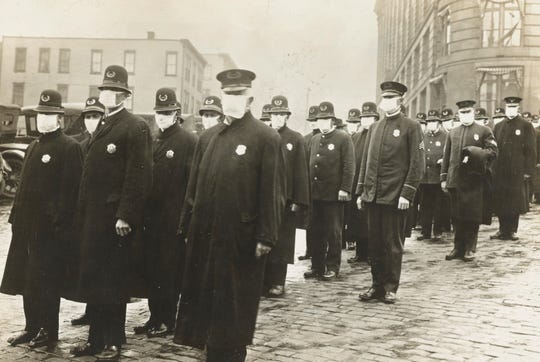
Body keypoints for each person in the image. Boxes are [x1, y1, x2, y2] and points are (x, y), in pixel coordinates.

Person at [173, 69, 285, 362]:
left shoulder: (265, 137)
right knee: (205, 303)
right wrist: (186, 224)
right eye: (227, 94)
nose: (231, 99)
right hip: (205, 235)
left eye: (237, 94)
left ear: (249, 98)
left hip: (240, 239)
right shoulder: (208, 138)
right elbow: (193, 188)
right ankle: (210, 352)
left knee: (233, 308)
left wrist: (266, 235)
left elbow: (273, 191)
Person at [71, 65, 152, 361]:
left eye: (115, 91)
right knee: (95, 278)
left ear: (125, 95)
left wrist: (125, 215)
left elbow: (138, 176)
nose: (108, 95)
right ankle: (95, 341)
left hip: (115, 221)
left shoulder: (134, 126)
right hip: (93, 219)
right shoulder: (103, 124)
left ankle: (114, 342)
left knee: (114, 281)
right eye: (105, 90)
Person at [1, 90, 83, 347]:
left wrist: (59, 224)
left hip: (50, 231)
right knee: (27, 279)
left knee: (47, 281)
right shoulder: (34, 146)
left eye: (49, 115)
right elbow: (23, 186)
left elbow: (71, 191)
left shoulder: (69, 147)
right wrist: (15, 218)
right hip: (26, 227)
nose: (43, 119)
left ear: (59, 118)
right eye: (41, 115)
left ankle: (49, 332)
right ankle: (31, 326)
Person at [134, 88, 197, 338]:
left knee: (169, 271)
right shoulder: (153, 138)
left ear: (176, 114)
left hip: (173, 219)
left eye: (167, 113)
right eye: (159, 113)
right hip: (151, 218)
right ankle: (154, 317)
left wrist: (186, 218)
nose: (162, 117)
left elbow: (192, 184)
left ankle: (168, 320)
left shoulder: (188, 141)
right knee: (152, 269)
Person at [357, 81, 424, 304]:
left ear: (400, 101)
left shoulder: (411, 127)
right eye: (383, 98)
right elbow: (366, 162)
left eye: (389, 98)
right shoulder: (375, 128)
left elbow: (417, 164)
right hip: (373, 196)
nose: (384, 102)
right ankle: (376, 286)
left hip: (395, 197)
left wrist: (407, 193)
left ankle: (390, 287)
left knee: (392, 244)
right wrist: (361, 192)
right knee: (374, 244)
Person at [303, 101, 355, 281]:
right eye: (319, 120)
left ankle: (332, 267)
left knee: (333, 232)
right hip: (315, 194)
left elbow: (349, 166)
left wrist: (345, 188)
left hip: (334, 195)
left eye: (326, 119)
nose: (322, 123)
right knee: (315, 231)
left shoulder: (343, 138)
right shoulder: (315, 139)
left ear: (332, 120)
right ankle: (317, 266)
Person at [264, 95, 309, 297]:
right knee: (264, 239)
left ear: (287, 116)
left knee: (282, 242)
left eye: (282, 114)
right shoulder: (262, 136)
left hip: (285, 200)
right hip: (264, 200)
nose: (278, 118)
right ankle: (262, 281)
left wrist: (299, 200)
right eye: (275, 114)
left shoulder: (295, 139)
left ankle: (277, 282)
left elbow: (301, 171)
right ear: (270, 115)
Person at [441, 100, 498, 262]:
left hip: (474, 181)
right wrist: (444, 177)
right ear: (458, 114)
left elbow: (493, 152)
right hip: (455, 180)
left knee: (472, 216)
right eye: (462, 112)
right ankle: (457, 247)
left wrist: (477, 153)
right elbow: (447, 156)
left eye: (468, 112)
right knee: (456, 216)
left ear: (473, 112)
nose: (465, 115)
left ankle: (470, 248)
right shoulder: (453, 132)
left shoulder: (484, 130)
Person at [70, 97, 106, 327]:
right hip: (82, 209)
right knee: (85, 263)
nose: (92, 120)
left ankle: (97, 311)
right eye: (88, 116)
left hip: (100, 211)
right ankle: (89, 310)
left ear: (103, 119)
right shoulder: (81, 145)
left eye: (96, 116)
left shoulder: (105, 142)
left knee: (98, 265)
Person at [490, 97, 536, 241]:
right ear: (506, 108)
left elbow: (531, 150)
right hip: (500, 170)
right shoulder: (498, 126)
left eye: (513, 107)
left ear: (518, 109)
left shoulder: (525, 125)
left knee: (514, 201)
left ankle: (511, 230)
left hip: (517, 171)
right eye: (508, 107)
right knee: (501, 199)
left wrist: (528, 171)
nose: (511, 110)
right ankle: (502, 229)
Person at [347, 102, 378, 264]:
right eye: (364, 117)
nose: (366, 120)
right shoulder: (356, 137)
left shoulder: (378, 135)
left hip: (372, 184)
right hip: (356, 184)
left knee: (371, 221)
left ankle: (372, 254)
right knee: (357, 220)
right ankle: (360, 253)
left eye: (369, 117)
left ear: (375, 118)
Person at [417, 110, 447, 241]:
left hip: (437, 176)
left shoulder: (445, 136)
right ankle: (425, 231)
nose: (431, 124)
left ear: (439, 123)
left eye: (434, 121)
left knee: (438, 206)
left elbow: (449, 152)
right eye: (429, 122)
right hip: (425, 177)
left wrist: (443, 160)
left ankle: (437, 231)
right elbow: (418, 151)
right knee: (425, 206)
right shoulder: (423, 136)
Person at [298, 105, 320, 261]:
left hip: (322, 187)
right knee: (309, 220)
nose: (313, 123)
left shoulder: (326, 137)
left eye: (315, 120)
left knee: (321, 223)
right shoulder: (306, 139)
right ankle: (309, 250)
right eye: (310, 121)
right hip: (308, 185)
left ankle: (320, 252)